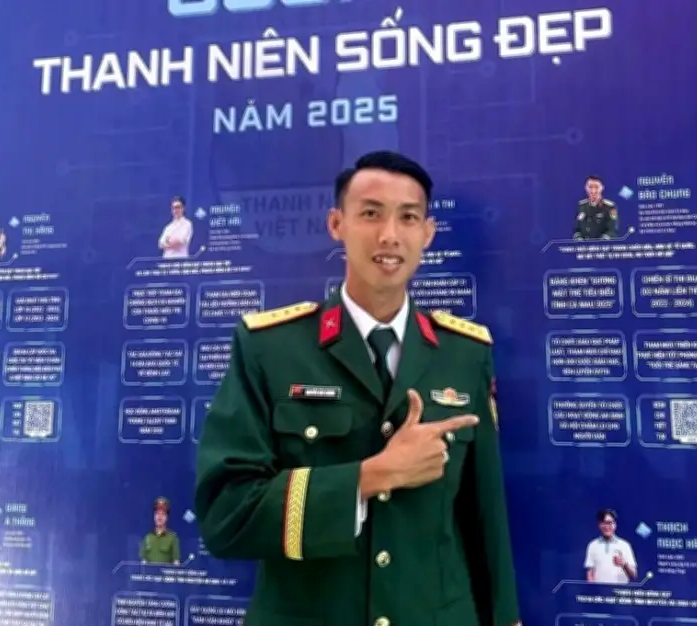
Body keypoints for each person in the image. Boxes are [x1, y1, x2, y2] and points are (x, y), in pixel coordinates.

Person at [195, 150, 521, 626]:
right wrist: (372, 476)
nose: (390, 235)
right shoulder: (270, 348)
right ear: (337, 224)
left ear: (427, 234)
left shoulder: (465, 353)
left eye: (408, 217)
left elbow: (485, 518)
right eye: (370, 213)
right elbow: (226, 516)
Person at [584, 509, 637, 584]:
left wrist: (624, 564)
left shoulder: (625, 545)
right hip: (599, 590)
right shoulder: (592, 545)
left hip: (619, 591)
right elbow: (590, 574)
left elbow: (633, 575)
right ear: (599, 525)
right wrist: (593, 589)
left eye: (609, 523)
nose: (607, 526)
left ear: (615, 524)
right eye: (603, 523)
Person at [573, 176, 618, 240]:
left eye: (596, 187)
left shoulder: (609, 207)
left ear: (602, 187)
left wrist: (600, 242)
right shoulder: (581, 205)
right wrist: (578, 238)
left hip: (601, 245)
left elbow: (612, 230)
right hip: (583, 245)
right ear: (585, 188)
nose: (593, 190)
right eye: (590, 187)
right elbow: (576, 229)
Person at [139, 497, 181, 565]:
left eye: (163, 514)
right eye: (157, 513)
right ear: (154, 516)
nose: (159, 517)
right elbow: (142, 562)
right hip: (149, 572)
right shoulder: (147, 537)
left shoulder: (172, 538)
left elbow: (176, 562)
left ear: (167, 517)